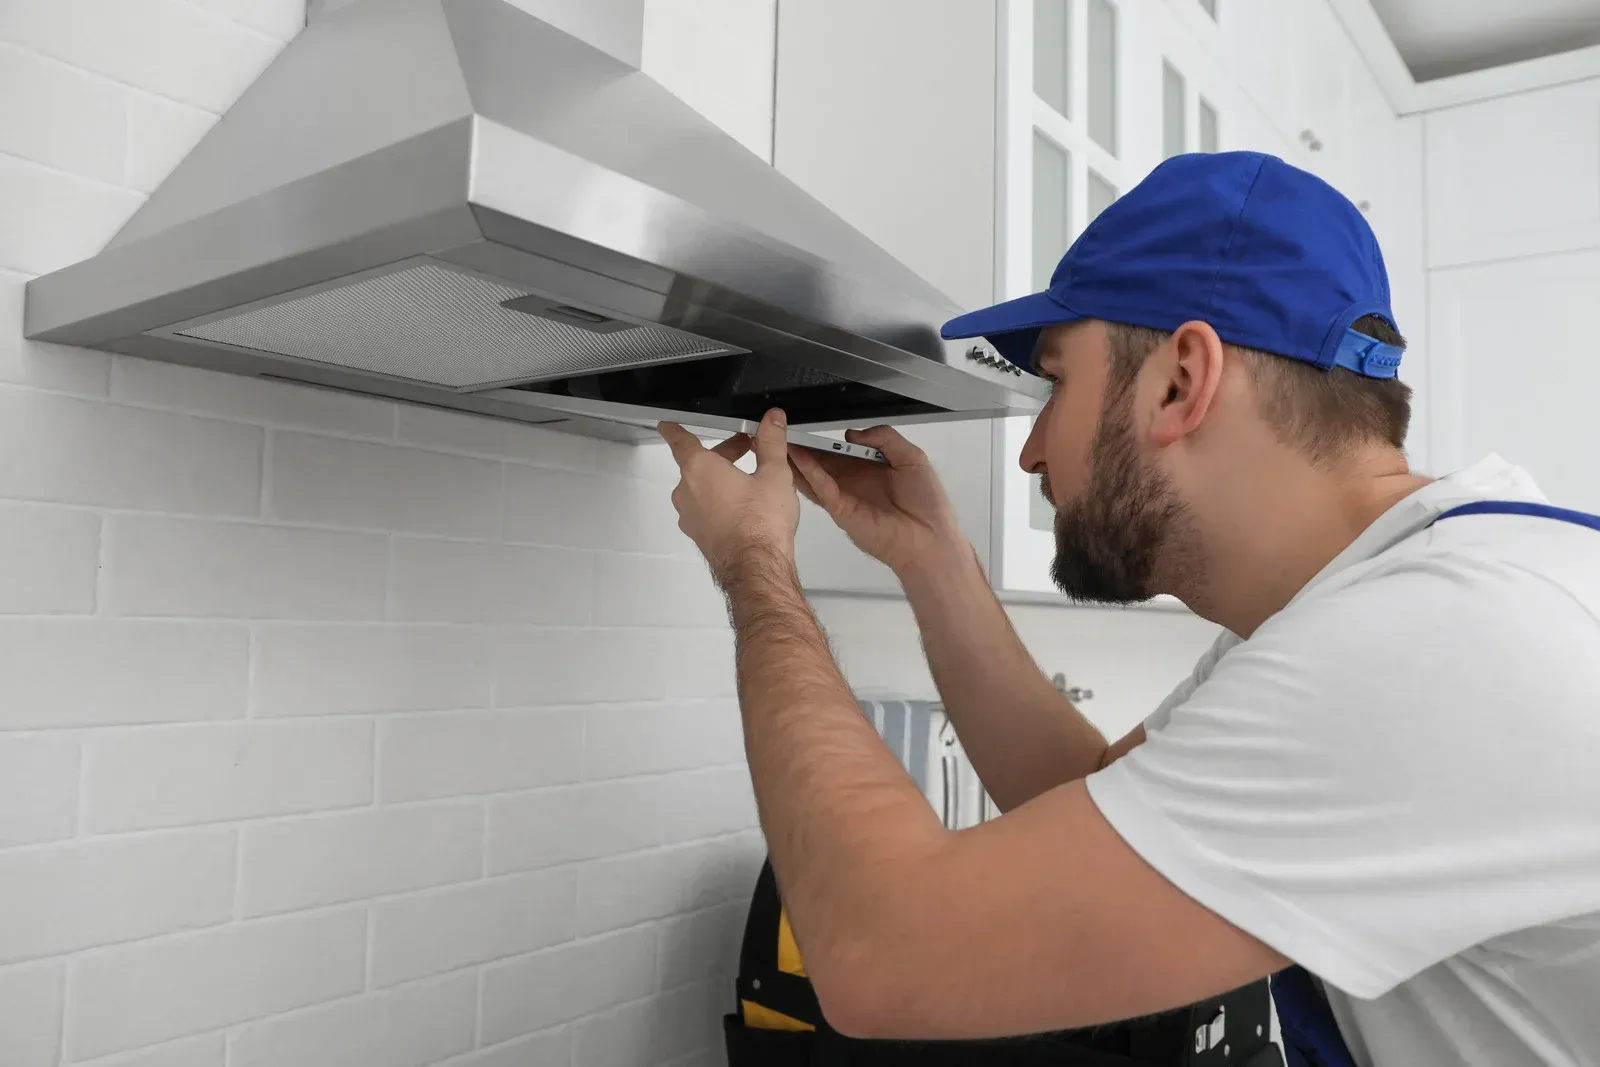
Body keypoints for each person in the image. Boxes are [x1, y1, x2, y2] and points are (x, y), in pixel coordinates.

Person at [655, 151, 1600, 1067]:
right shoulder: (1407, 591)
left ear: (1182, 382)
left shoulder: (1421, 650)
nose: (1030, 453)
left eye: (1056, 382)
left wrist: (755, 569)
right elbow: (1089, 789)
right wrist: (931, 559)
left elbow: (878, 953)